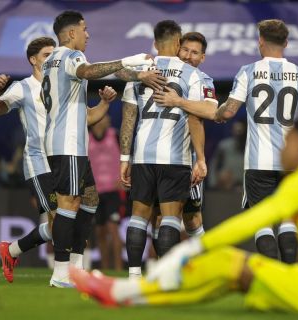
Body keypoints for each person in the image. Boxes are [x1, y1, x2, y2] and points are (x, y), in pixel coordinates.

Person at [70, 117, 298, 318]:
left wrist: (194, 248)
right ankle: (128, 297)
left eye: (287, 141)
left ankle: (120, 291)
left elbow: (254, 219)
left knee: (224, 262)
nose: (283, 148)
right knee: (228, 276)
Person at [0, 36, 117, 283]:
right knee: (61, 220)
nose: (51, 59)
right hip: (40, 162)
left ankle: (21, 253)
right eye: (46, 55)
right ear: (33, 60)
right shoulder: (23, 88)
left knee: (86, 205)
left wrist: (105, 104)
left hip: (68, 156)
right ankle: (52, 268)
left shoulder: (62, 83)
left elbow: (86, 118)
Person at [42, 10, 156, 287]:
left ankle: (77, 268)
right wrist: (128, 62)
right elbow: (89, 71)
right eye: (84, 29)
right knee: (69, 204)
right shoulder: (70, 56)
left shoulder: (52, 62)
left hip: (71, 143)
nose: (88, 34)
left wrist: (106, 103)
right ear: (71, 34)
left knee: (90, 200)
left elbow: (85, 114)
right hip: (66, 144)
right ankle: (61, 273)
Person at [214, 19, 298, 262]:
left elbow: (230, 111)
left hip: (258, 162)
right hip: (291, 163)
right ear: (286, 43)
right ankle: (290, 279)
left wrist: (218, 113)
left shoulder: (248, 71)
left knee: (262, 222)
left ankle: (272, 276)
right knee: (288, 221)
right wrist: (296, 118)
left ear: (260, 41)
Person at [119, 21, 208, 278]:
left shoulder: (140, 72)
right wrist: (200, 158)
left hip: (143, 156)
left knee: (139, 218)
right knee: (170, 219)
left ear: (155, 43)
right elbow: (196, 117)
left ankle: (134, 276)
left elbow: (128, 117)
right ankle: (166, 277)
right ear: (178, 42)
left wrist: (125, 158)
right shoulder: (193, 75)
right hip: (176, 157)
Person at [151, 32, 218, 251]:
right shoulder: (156, 74)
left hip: (186, 159)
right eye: (185, 50)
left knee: (192, 220)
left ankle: (204, 268)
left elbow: (210, 110)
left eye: (195, 52)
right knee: (158, 218)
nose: (188, 56)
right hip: (156, 157)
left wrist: (178, 101)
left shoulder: (203, 79)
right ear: (177, 49)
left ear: (203, 58)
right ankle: (159, 272)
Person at [88, 114, 124, 270]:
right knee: (100, 231)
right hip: (94, 192)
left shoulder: (114, 135)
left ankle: (118, 268)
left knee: (113, 229)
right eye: (103, 117)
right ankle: (105, 268)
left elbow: (127, 157)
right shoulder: (86, 139)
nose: (107, 119)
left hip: (113, 191)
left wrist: (125, 177)